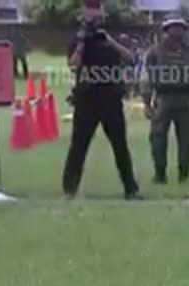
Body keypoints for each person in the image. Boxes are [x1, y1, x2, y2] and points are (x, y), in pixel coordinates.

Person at [61, 0, 140, 200]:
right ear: (83, 12)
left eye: (97, 9)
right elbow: (73, 65)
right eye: (90, 9)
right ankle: (69, 190)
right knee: (78, 146)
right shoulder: (78, 39)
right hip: (87, 100)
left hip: (111, 99)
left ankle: (131, 189)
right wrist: (81, 41)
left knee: (120, 146)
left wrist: (111, 41)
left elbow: (131, 59)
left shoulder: (112, 37)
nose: (94, 13)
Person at [143, 15, 189, 185]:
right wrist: (146, 102)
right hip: (163, 99)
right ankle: (160, 173)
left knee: (186, 139)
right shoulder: (155, 52)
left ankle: (184, 173)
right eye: (174, 27)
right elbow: (147, 79)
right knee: (158, 137)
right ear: (166, 30)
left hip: (185, 100)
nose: (177, 31)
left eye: (181, 28)